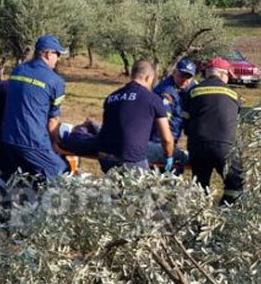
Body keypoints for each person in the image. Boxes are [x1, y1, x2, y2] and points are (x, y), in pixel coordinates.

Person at [1, 35, 68, 180]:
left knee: (22, 175)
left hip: (8, 138)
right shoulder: (56, 81)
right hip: (32, 141)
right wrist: (56, 144)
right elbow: (52, 121)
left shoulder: (18, 70)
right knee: (60, 171)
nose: (58, 59)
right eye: (57, 54)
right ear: (48, 53)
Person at [182, 57, 244, 205]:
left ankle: (199, 223)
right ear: (223, 74)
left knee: (200, 186)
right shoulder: (234, 95)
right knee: (235, 184)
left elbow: (185, 122)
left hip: (198, 146)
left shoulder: (192, 92)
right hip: (225, 147)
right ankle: (225, 213)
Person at [97, 60, 174, 173]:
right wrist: (169, 156)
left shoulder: (111, 97)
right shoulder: (153, 100)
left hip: (104, 157)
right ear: (148, 77)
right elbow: (167, 139)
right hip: (130, 160)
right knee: (142, 188)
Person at [147, 58, 197, 169]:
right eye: (181, 75)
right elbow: (162, 124)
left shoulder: (190, 87)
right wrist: (167, 149)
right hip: (158, 139)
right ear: (174, 73)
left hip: (173, 138)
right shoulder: (165, 92)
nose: (185, 80)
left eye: (188, 77)